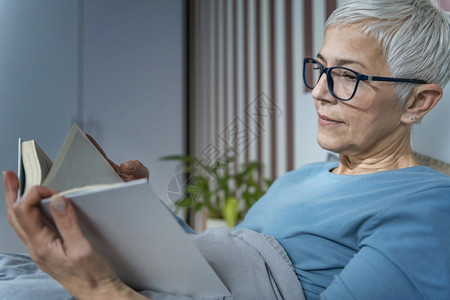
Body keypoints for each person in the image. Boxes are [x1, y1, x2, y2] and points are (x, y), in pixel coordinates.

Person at [2, 0, 450, 299]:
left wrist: (101, 288)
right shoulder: (302, 177)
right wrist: (135, 207)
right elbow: (200, 265)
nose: (319, 92)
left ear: (418, 101)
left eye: (348, 76)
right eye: (320, 68)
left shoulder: (430, 206)